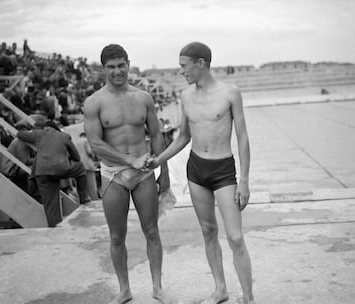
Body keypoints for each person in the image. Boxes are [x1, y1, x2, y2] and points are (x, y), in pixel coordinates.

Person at [147, 42, 256, 304]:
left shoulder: (230, 93)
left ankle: (249, 298)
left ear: (201, 63)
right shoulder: (186, 96)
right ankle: (220, 289)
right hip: (196, 169)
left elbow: (242, 137)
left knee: (235, 236)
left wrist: (245, 180)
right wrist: (158, 159)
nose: (181, 71)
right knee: (208, 230)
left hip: (223, 170)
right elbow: (183, 135)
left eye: (184, 66)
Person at [83, 44, 172, 304]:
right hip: (113, 174)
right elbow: (96, 144)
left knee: (152, 231)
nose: (117, 71)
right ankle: (124, 290)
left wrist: (163, 171)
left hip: (144, 173)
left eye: (121, 65)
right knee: (116, 236)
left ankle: (157, 287)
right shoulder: (94, 102)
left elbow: (156, 135)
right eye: (111, 67)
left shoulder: (143, 98)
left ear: (128, 64)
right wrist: (128, 160)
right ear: (103, 69)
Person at [17, 120, 91, 227]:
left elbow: (20, 135)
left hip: (42, 172)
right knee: (80, 167)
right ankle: (84, 197)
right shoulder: (64, 136)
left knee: (51, 205)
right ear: (56, 128)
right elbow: (77, 157)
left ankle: (54, 228)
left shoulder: (39, 134)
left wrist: (27, 126)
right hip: (61, 169)